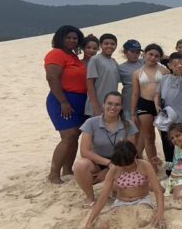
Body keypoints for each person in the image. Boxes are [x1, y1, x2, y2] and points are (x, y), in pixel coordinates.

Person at [79, 140, 165, 229]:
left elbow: (157, 191)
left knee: (144, 219)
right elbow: (103, 197)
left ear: (135, 156)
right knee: (104, 224)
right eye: (121, 166)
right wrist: (89, 222)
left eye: (128, 165)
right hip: (121, 203)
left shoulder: (145, 166)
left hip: (142, 200)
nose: (125, 168)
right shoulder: (114, 170)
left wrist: (160, 213)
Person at [73, 92, 139, 205]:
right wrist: (108, 164)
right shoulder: (91, 123)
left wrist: (110, 170)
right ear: (103, 105)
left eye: (117, 104)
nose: (113, 107)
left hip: (122, 163)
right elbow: (84, 151)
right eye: (110, 103)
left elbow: (131, 154)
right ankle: (90, 197)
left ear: (121, 107)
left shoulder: (129, 125)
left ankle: (115, 190)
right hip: (98, 162)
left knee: (118, 188)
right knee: (80, 165)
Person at [45, 25, 87, 184]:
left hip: (79, 100)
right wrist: (63, 101)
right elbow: (52, 78)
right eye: (68, 37)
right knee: (68, 135)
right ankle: (54, 174)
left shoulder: (73, 56)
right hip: (62, 99)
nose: (72, 40)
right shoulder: (56, 54)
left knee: (75, 135)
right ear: (60, 38)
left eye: (75, 38)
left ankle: (67, 170)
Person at [131, 43, 169, 168]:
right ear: (144, 54)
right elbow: (135, 94)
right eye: (150, 54)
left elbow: (169, 90)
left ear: (160, 57)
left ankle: (169, 164)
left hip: (160, 105)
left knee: (166, 137)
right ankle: (153, 167)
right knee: (149, 137)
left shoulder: (164, 71)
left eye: (156, 56)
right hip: (144, 104)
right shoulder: (137, 73)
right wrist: (132, 113)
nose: (153, 58)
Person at [155, 52, 182, 174]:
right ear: (169, 65)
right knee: (168, 146)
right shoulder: (164, 79)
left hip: (181, 119)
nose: (179, 67)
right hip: (167, 118)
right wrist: (157, 105)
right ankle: (170, 172)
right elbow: (157, 94)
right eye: (175, 65)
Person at [85, 33, 120, 117]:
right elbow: (90, 84)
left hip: (110, 106)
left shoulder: (114, 62)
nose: (109, 46)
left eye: (112, 44)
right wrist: (96, 107)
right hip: (97, 107)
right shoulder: (95, 59)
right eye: (106, 44)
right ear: (100, 45)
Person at [118, 39, 144, 120]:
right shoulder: (120, 68)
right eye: (132, 52)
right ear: (125, 52)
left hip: (144, 102)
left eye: (137, 52)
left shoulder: (144, 62)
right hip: (128, 103)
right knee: (130, 125)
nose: (135, 55)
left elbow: (158, 54)